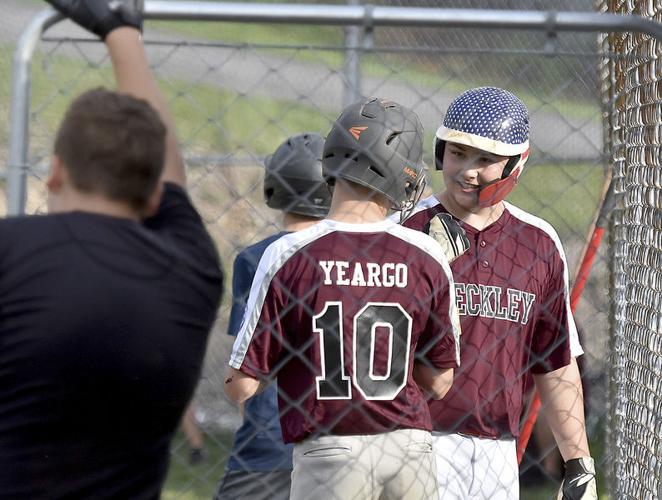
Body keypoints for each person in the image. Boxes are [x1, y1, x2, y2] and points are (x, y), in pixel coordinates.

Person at [0, 1, 223, 498]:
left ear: (55, 171)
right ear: (154, 197)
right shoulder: (192, 267)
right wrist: (124, 34)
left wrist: (116, 28)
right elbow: (171, 172)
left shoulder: (11, 253)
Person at [224, 97, 464, 499]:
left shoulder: (291, 252)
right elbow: (440, 382)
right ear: (398, 172)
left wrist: (298, 350)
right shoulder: (426, 253)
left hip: (333, 449)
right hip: (411, 451)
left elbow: (241, 386)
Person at [400, 86, 597, 499]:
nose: (467, 171)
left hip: (497, 454)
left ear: (515, 166)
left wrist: (578, 463)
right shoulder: (405, 231)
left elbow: (556, 363)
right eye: (457, 153)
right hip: (411, 441)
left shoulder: (538, 243)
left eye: (485, 160)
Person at [215, 132, 331, 499]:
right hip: (337, 436)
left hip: (269, 439)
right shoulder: (356, 256)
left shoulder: (256, 258)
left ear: (274, 187)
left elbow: (247, 361)